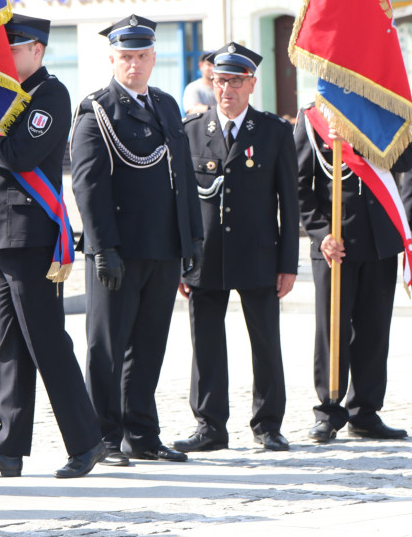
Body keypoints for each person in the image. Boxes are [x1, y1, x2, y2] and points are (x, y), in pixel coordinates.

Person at [0, 14, 104, 480]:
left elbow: (18, 154)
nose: (4, 56)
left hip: (29, 236)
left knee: (45, 341)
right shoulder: (3, 97)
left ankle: (86, 440)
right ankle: (8, 445)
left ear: (36, 50)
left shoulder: (50, 94)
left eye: (12, 48)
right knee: (10, 346)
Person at [70, 14, 203, 466]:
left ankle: (142, 433)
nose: (134, 65)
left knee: (149, 344)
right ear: (112, 59)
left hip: (163, 247)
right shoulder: (97, 110)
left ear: (153, 58)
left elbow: (181, 176)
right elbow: (88, 185)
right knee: (107, 347)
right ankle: (104, 435)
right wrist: (102, 246)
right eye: (125, 57)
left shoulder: (165, 105)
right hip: (119, 250)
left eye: (141, 56)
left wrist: (191, 239)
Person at [174, 42, 298, 455]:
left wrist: (288, 263)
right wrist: (181, 259)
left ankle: (268, 424)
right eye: (219, 80)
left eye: (235, 81)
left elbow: (289, 203)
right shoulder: (190, 130)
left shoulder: (274, 131)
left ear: (252, 84)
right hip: (204, 255)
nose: (226, 89)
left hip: (259, 253)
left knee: (265, 341)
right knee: (205, 341)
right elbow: (180, 201)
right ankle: (209, 425)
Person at [295, 103, 412, 443]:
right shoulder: (313, 117)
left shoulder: (382, 113)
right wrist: (320, 234)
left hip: (379, 239)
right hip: (336, 243)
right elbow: (299, 185)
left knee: (374, 330)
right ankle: (329, 410)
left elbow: (404, 164)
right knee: (332, 329)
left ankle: (365, 411)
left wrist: (386, 132)